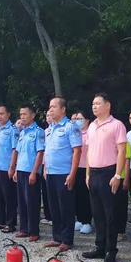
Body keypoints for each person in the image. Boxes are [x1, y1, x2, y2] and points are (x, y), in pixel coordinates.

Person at [82, 93, 127, 262]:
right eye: (93, 103)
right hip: (93, 173)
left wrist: (118, 175)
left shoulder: (117, 125)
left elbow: (122, 151)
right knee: (97, 214)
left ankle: (111, 250)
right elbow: (89, 152)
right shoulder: (92, 126)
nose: (94, 106)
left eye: (98, 103)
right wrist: (87, 174)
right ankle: (99, 247)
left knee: (110, 214)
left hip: (109, 173)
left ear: (107, 105)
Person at [44, 97, 82, 252]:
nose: (51, 110)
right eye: (50, 107)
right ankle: (57, 236)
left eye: (54, 107)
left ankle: (67, 239)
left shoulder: (70, 127)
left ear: (63, 109)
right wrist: (46, 169)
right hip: (51, 173)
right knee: (54, 206)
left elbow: (77, 151)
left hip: (64, 173)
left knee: (65, 207)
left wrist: (72, 174)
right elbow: (48, 151)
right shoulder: (50, 128)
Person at [14, 105, 45, 242]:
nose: (22, 117)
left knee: (32, 202)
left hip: (31, 172)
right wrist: (15, 170)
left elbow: (40, 153)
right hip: (21, 170)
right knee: (22, 202)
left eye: (25, 114)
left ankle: (34, 231)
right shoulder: (22, 132)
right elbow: (19, 152)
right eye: (20, 114)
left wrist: (34, 172)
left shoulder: (38, 132)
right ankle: (24, 228)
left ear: (32, 115)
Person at [0, 105, 19, 232]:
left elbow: (15, 149)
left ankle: (10, 223)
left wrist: (12, 167)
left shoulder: (13, 130)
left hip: (6, 168)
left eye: (2, 114)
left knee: (9, 196)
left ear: (8, 114)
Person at [71, 111, 93, 235]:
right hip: (76, 167)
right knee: (77, 195)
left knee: (86, 196)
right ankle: (79, 219)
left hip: (87, 168)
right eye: (76, 119)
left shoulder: (90, 133)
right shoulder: (76, 133)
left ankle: (87, 221)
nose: (77, 121)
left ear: (87, 120)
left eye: (80, 118)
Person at [40, 110, 53, 226]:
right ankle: (48, 215)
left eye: (50, 115)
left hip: (57, 167)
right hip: (45, 164)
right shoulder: (46, 131)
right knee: (46, 191)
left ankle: (54, 217)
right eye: (47, 116)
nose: (48, 117)